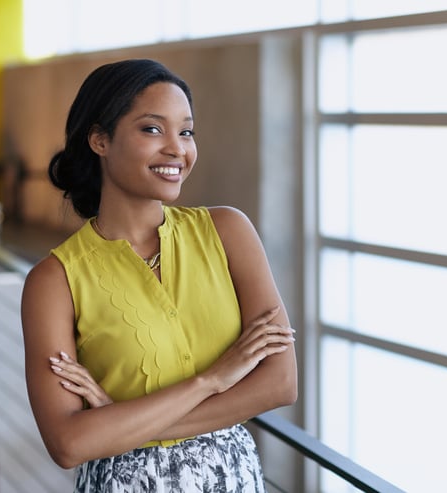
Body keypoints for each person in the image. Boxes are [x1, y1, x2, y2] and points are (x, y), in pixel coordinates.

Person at [20, 58, 297, 492]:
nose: (177, 149)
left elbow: (280, 383)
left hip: (233, 479)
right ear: (99, 140)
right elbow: (69, 442)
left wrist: (119, 422)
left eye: (185, 131)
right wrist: (213, 380)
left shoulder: (228, 232)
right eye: (152, 129)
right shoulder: (54, 280)